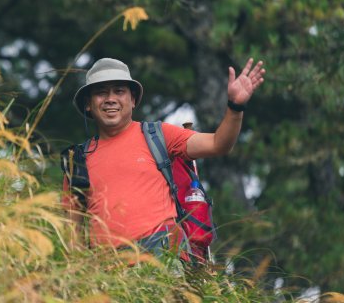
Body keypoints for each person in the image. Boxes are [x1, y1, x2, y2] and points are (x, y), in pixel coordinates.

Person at [63, 57, 265, 256]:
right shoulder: (77, 160)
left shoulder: (157, 135)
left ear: (132, 100)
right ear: (88, 104)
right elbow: (73, 235)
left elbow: (218, 144)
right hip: (109, 274)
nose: (110, 99)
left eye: (119, 91)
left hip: (163, 262)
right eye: (100, 93)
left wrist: (235, 108)